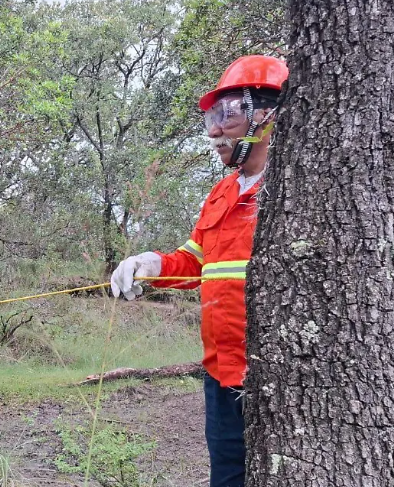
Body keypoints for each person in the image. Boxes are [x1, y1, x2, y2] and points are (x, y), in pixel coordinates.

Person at [109, 55, 288, 487]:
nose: (213, 131)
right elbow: (195, 260)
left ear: (266, 114)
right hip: (221, 372)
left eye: (227, 115)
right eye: (212, 116)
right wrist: (149, 265)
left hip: (279, 378)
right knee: (227, 477)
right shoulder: (222, 191)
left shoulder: (295, 188)